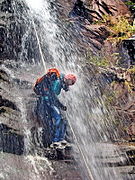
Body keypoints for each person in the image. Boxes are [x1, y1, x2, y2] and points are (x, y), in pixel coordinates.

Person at [33, 68, 76, 147]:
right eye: (70, 82)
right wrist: (61, 105)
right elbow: (52, 95)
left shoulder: (59, 81)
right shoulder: (58, 82)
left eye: (71, 83)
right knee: (59, 118)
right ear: (66, 79)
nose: (69, 84)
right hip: (47, 102)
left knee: (58, 120)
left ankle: (58, 139)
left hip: (48, 102)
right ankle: (56, 139)